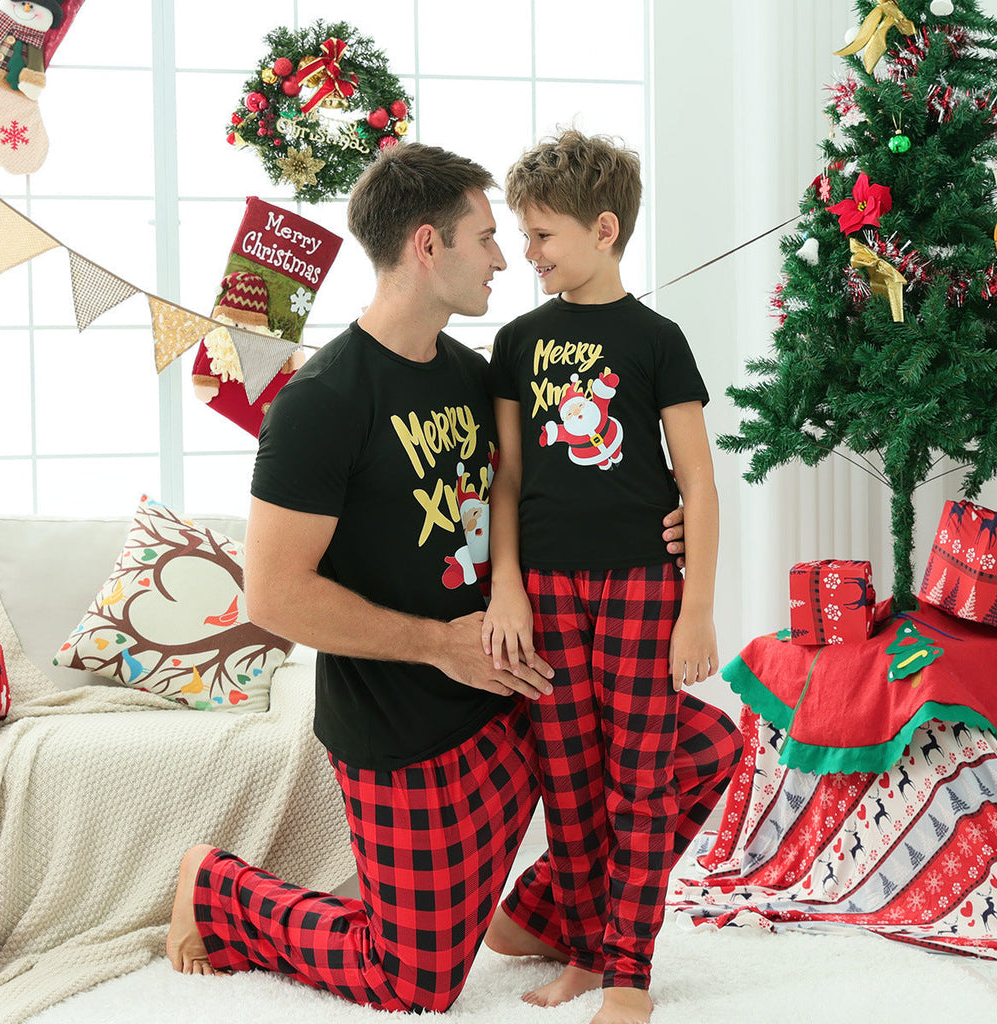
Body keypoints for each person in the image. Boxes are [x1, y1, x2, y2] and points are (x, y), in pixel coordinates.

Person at [164, 141, 690, 1014]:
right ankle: (218, 889)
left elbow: (551, 481)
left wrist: (662, 519)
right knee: (412, 986)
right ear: (426, 245)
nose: (503, 257)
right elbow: (275, 596)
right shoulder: (321, 403)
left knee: (703, 751)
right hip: (411, 731)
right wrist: (440, 646)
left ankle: (544, 912)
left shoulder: (476, 376)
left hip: (525, 684)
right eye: (487, 237)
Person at [480, 130, 742, 1024]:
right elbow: (506, 478)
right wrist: (506, 584)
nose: (527, 253)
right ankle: (587, 953)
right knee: (572, 784)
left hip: (641, 586)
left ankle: (629, 974)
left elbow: (698, 479)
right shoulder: (516, 342)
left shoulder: (657, 339)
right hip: (547, 592)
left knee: (641, 779)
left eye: (542, 236)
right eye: (522, 236)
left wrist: (698, 607)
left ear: (603, 228)